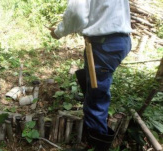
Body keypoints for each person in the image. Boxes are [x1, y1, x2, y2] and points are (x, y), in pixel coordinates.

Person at [50, 0, 132, 151]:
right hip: (119, 40)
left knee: (96, 98)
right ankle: (95, 122)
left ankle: (97, 145)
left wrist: (58, 32)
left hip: (105, 44)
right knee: (94, 85)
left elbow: (76, 14)